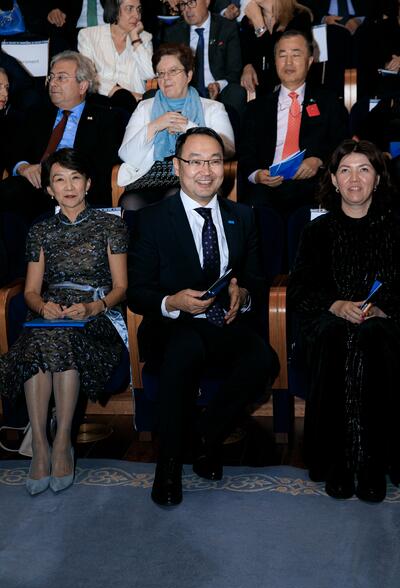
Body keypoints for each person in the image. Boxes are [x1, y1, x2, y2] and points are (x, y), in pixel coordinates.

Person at [128, 127, 279, 506]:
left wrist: (243, 295)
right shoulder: (151, 219)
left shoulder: (243, 216)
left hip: (222, 324)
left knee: (263, 359)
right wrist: (172, 300)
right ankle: (168, 467)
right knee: (184, 348)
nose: (206, 171)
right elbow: (137, 292)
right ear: (177, 167)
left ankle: (205, 436)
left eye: (214, 161)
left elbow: (257, 280)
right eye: (195, 161)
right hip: (170, 327)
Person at [0, 147, 129, 496]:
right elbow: (30, 291)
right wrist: (43, 307)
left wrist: (93, 307)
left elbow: (121, 288)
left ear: (88, 184)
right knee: (43, 338)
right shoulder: (40, 231)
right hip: (52, 313)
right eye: (59, 179)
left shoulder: (111, 226)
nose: (68, 187)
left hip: (97, 313)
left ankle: (62, 443)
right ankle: (41, 445)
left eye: (75, 178)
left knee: (59, 339)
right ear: (49, 189)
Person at [288, 139, 400, 503]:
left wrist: (382, 309)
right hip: (328, 321)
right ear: (334, 180)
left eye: (364, 170)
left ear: (378, 179)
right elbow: (299, 291)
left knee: (374, 335)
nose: (354, 179)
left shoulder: (395, 228)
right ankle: (336, 460)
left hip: (384, 323)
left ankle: (372, 463)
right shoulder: (316, 231)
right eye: (345, 170)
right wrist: (335, 305)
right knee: (336, 336)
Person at [0, 50, 125, 221]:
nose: (53, 83)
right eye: (51, 77)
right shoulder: (36, 114)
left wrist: (64, 175)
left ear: (82, 86)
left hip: (79, 188)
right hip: (36, 186)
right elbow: (13, 149)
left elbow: (103, 162)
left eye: (61, 78)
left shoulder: (106, 117)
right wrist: (23, 167)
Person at [239, 30, 349, 219]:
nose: (288, 63)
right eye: (282, 55)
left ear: (309, 61)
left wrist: (318, 160)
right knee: (256, 210)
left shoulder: (329, 102)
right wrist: (257, 174)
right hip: (268, 186)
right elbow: (245, 151)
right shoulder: (256, 108)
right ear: (275, 62)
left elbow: (341, 143)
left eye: (296, 55)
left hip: (313, 183)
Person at [118, 43, 235, 210]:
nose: (166, 78)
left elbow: (228, 150)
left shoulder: (213, 108)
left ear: (188, 75)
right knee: (130, 202)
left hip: (196, 176)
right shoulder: (145, 108)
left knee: (175, 197)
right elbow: (127, 156)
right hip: (148, 176)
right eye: (161, 73)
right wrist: (155, 125)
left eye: (173, 71)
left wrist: (187, 127)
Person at [163, 0, 246, 119]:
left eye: (191, 2)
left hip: (220, 91)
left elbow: (234, 70)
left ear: (207, 2)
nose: (187, 9)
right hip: (185, 91)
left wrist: (218, 85)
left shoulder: (226, 28)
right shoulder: (173, 33)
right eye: (183, 4)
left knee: (236, 93)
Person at [78, 0, 154, 114]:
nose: (136, 15)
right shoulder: (88, 35)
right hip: (99, 103)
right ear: (114, 10)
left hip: (135, 107)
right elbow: (87, 76)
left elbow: (149, 74)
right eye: (130, 9)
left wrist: (135, 38)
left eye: (138, 9)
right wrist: (119, 92)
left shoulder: (144, 38)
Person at [240, 0, 313, 96]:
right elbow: (246, 52)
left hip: (293, 86)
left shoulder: (299, 16)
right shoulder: (248, 20)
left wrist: (259, 24)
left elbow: (279, 56)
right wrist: (247, 66)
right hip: (261, 88)